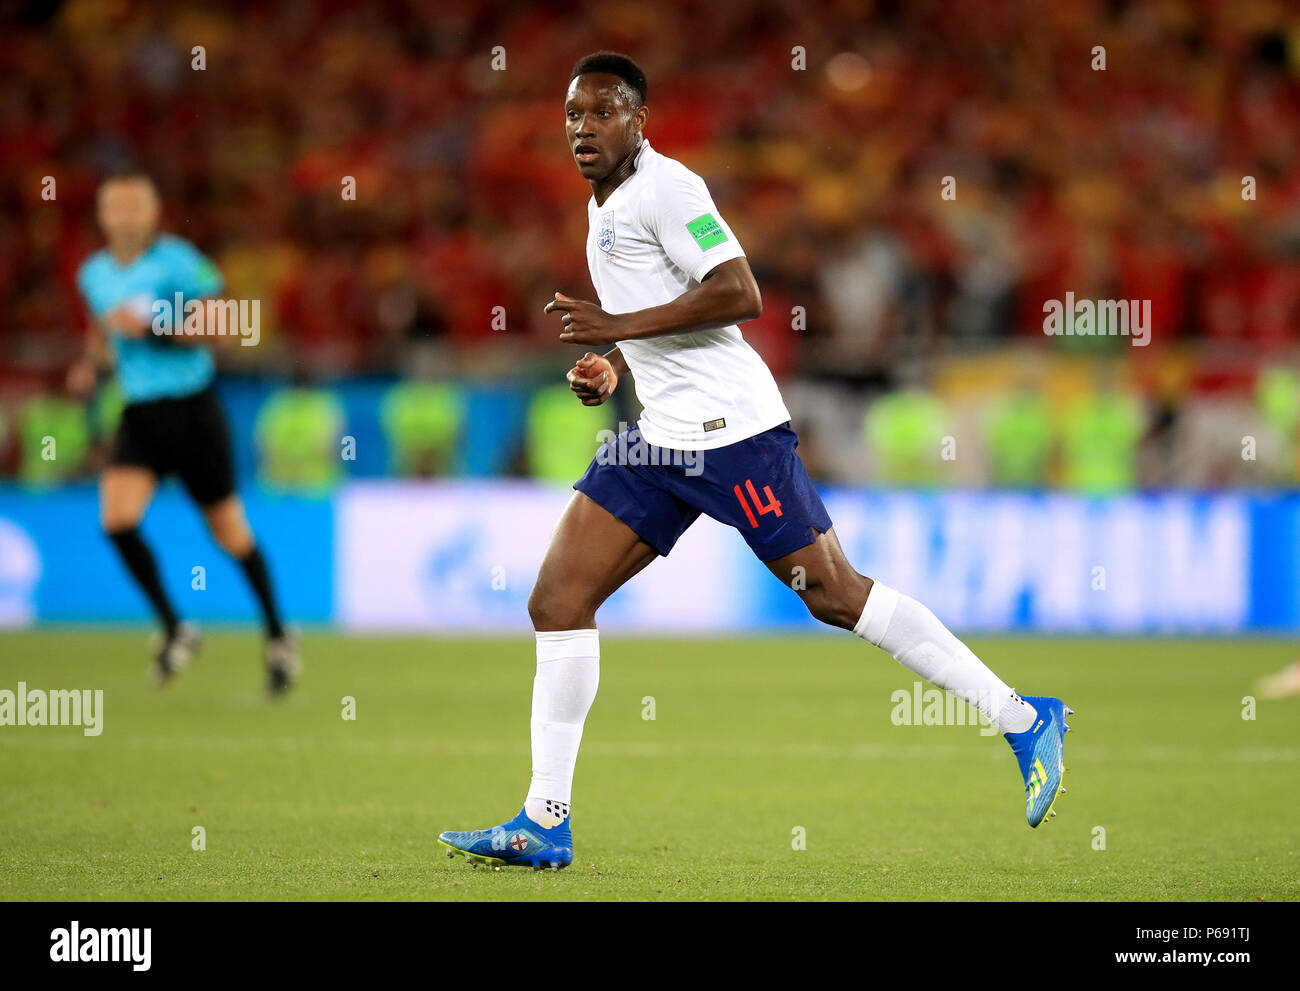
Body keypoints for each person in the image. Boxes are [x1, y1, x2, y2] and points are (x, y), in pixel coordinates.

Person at [438, 53, 1070, 870]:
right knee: (557, 599)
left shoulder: (670, 189)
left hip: (734, 433)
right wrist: (615, 362)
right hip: (659, 438)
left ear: (640, 121)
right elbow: (658, 318)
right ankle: (542, 818)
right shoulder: (603, 212)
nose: (583, 130)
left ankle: (1022, 718)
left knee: (834, 595)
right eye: (572, 115)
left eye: (602, 113)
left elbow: (739, 293)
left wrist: (614, 328)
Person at [69, 172, 300, 694]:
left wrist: (153, 328)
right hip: (140, 413)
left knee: (229, 533)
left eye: (136, 208)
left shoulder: (179, 263)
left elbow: (226, 322)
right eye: (116, 208)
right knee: (117, 520)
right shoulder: (94, 274)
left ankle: (278, 633)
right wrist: (91, 365)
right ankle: (176, 628)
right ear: (103, 216)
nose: (126, 217)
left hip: (193, 411)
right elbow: (101, 331)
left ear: (153, 214)